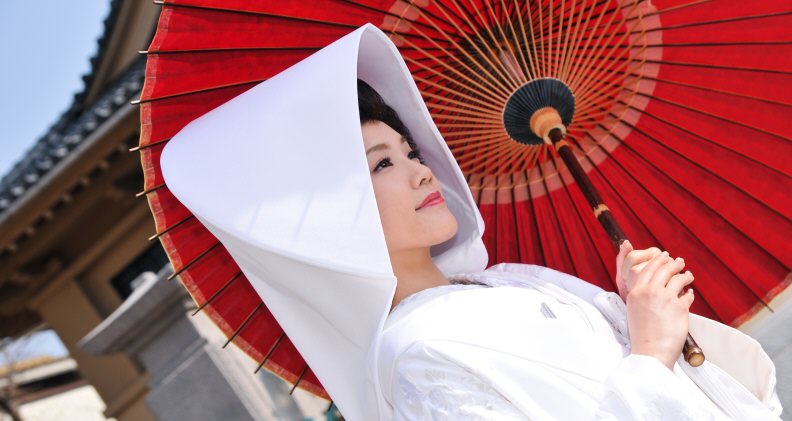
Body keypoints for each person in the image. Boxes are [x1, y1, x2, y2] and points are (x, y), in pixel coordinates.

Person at [160, 24, 782, 420]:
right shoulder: (415, 355)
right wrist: (648, 351)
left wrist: (628, 311)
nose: (421, 172)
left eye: (410, 151)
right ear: (326, 218)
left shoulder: (511, 279)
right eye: (381, 164)